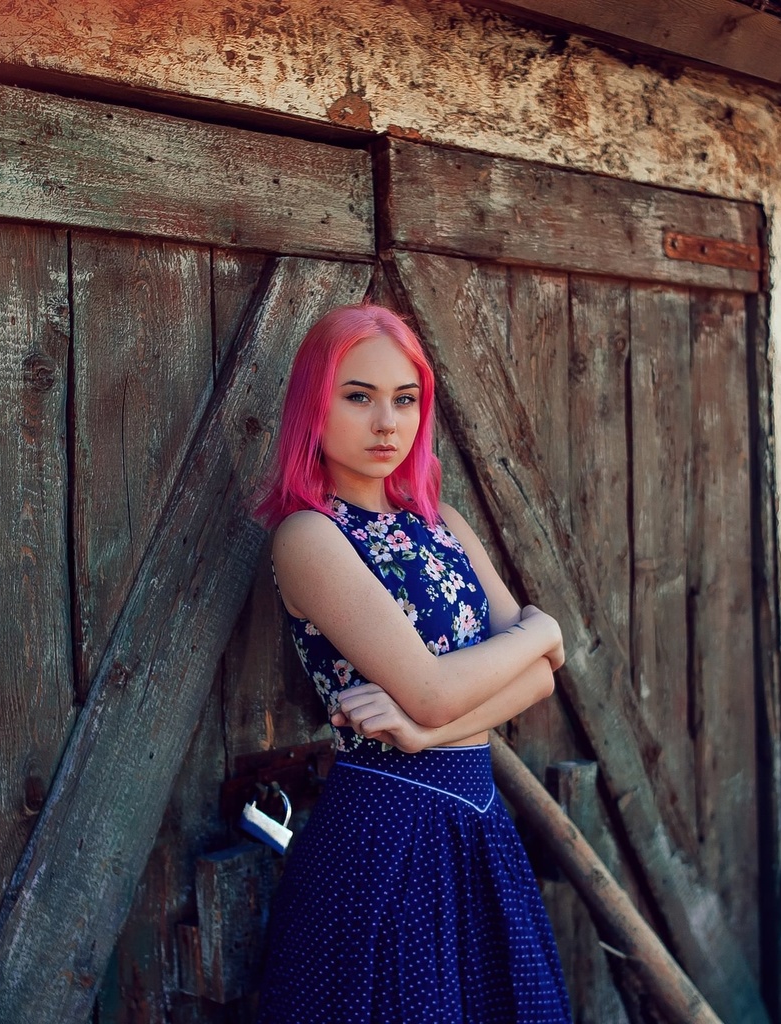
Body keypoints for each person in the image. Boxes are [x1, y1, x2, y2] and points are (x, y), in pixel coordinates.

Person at [253, 303, 571, 1023]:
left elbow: (542, 678)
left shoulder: (443, 524)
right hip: (384, 837)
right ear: (315, 405)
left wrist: (433, 731)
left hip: (479, 821)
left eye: (405, 400)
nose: (386, 423)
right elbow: (432, 689)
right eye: (358, 396)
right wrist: (541, 630)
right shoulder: (309, 537)